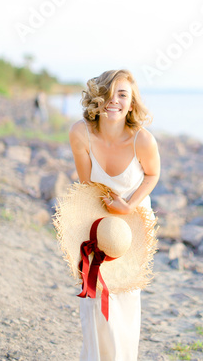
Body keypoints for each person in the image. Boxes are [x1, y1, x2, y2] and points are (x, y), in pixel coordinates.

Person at [68, 69, 160, 361]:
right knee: (93, 298)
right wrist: (101, 220)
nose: (114, 100)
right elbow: (87, 186)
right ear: (98, 97)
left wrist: (129, 205)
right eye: (108, 92)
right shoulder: (80, 133)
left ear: (131, 104)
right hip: (99, 217)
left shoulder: (142, 140)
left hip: (132, 222)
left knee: (124, 300)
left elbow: (153, 174)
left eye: (123, 95)